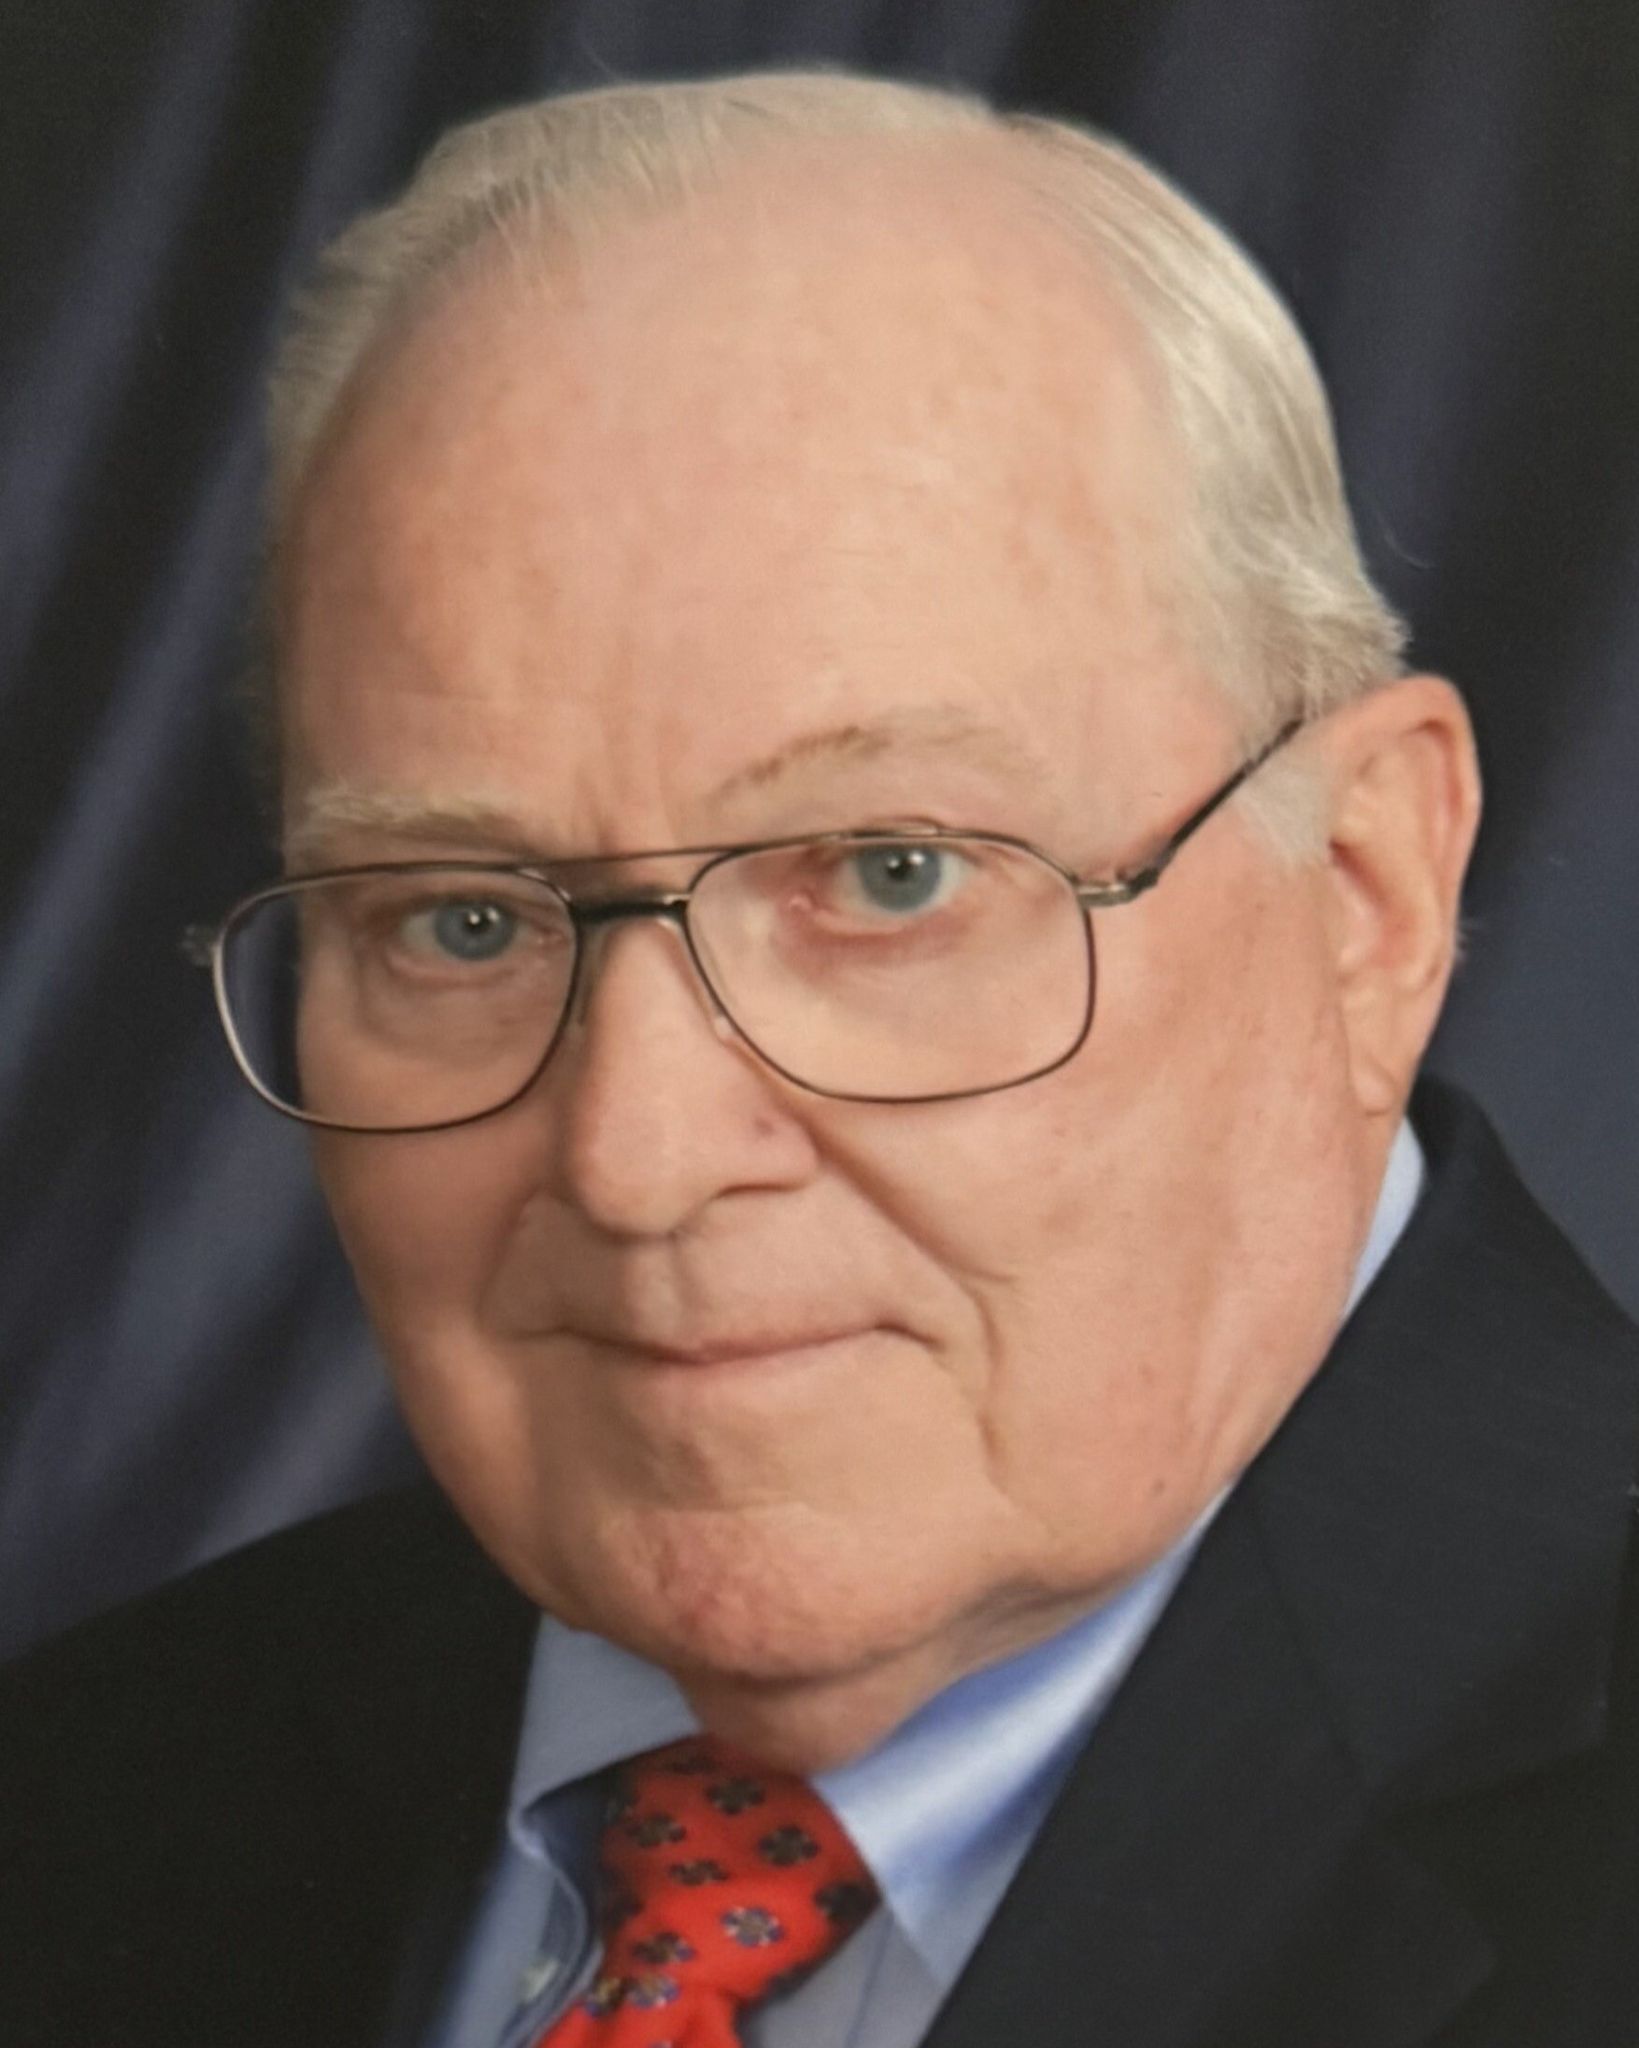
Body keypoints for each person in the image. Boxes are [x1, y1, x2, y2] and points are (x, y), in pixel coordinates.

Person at [4, 68, 1636, 2048]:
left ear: (1365, 897)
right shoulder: (83, 1802)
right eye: (461, 920)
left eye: (888, 875)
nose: (635, 1156)